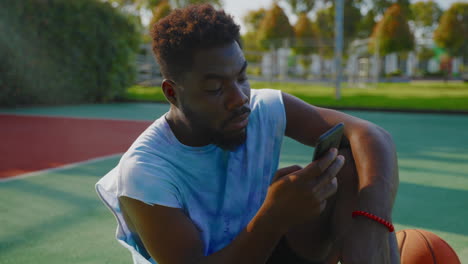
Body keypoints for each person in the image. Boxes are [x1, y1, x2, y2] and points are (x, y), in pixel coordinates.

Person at [96, 4, 400, 264]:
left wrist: (371, 223)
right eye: (215, 88)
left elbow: (372, 135)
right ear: (172, 93)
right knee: (288, 192)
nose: (239, 97)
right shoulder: (144, 173)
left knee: (345, 166)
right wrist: (274, 215)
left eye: (242, 77)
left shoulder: (261, 108)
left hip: (262, 249)